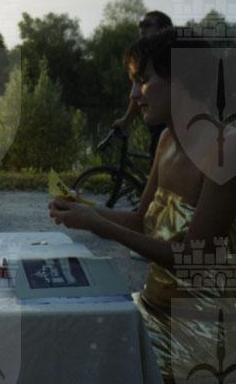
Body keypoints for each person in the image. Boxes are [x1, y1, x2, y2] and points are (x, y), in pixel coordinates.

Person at [49, 28, 236, 382]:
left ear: (182, 81)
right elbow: (141, 220)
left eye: (143, 80)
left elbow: (193, 261)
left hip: (202, 331)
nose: (134, 95)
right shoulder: (166, 140)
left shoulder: (227, 149)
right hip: (151, 307)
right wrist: (83, 210)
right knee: (65, 338)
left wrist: (99, 224)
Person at [112, 10, 173, 167]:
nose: (142, 29)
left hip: (165, 124)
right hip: (161, 126)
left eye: (147, 25)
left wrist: (126, 120)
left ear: (164, 29)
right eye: (140, 25)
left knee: (160, 162)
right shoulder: (144, 56)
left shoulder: (169, 59)